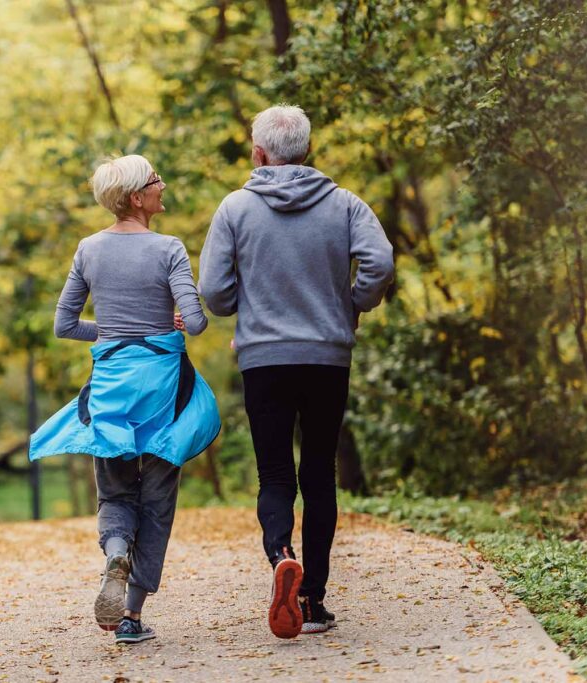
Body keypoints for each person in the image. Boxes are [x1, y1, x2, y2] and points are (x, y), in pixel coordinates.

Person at [198, 104, 394, 639]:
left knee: (276, 474)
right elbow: (381, 261)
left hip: (264, 358)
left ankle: (282, 553)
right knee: (319, 475)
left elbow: (213, 292)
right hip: (328, 356)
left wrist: (251, 308)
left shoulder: (235, 208)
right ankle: (312, 600)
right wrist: (352, 304)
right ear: (307, 150)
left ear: (259, 153)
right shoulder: (345, 205)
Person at [29, 154, 221, 645]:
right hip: (164, 391)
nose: (163, 185)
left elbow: (65, 325)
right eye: (156, 180)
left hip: (112, 390)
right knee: (157, 501)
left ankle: (115, 552)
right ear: (138, 198)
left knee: (116, 492)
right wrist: (172, 322)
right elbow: (197, 323)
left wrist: (113, 331)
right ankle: (131, 615)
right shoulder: (170, 248)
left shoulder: (88, 249)